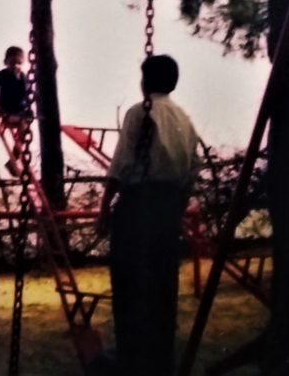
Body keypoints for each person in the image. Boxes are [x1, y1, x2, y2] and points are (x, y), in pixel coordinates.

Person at [96, 54, 200, 376]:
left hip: (137, 205)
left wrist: (104, 210)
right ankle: (161, 358)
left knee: (129, 283)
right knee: (161, 284)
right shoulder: (184, 118)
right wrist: (176, 207)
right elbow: (191, 171)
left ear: (145, 82)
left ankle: (130, 358)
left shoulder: (138, 113)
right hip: (167, 208)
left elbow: (121, 165)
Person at [0, 46, 29, 175]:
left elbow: (27, 96)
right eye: (12, 63)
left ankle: (14, 159)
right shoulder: (2, 75)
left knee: (24, 129)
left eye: (19, 63)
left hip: (17, 111)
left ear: (23, 63)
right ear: (6, 62)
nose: (15, 66)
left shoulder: (23, 78)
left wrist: (27, 109)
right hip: (3, 109)